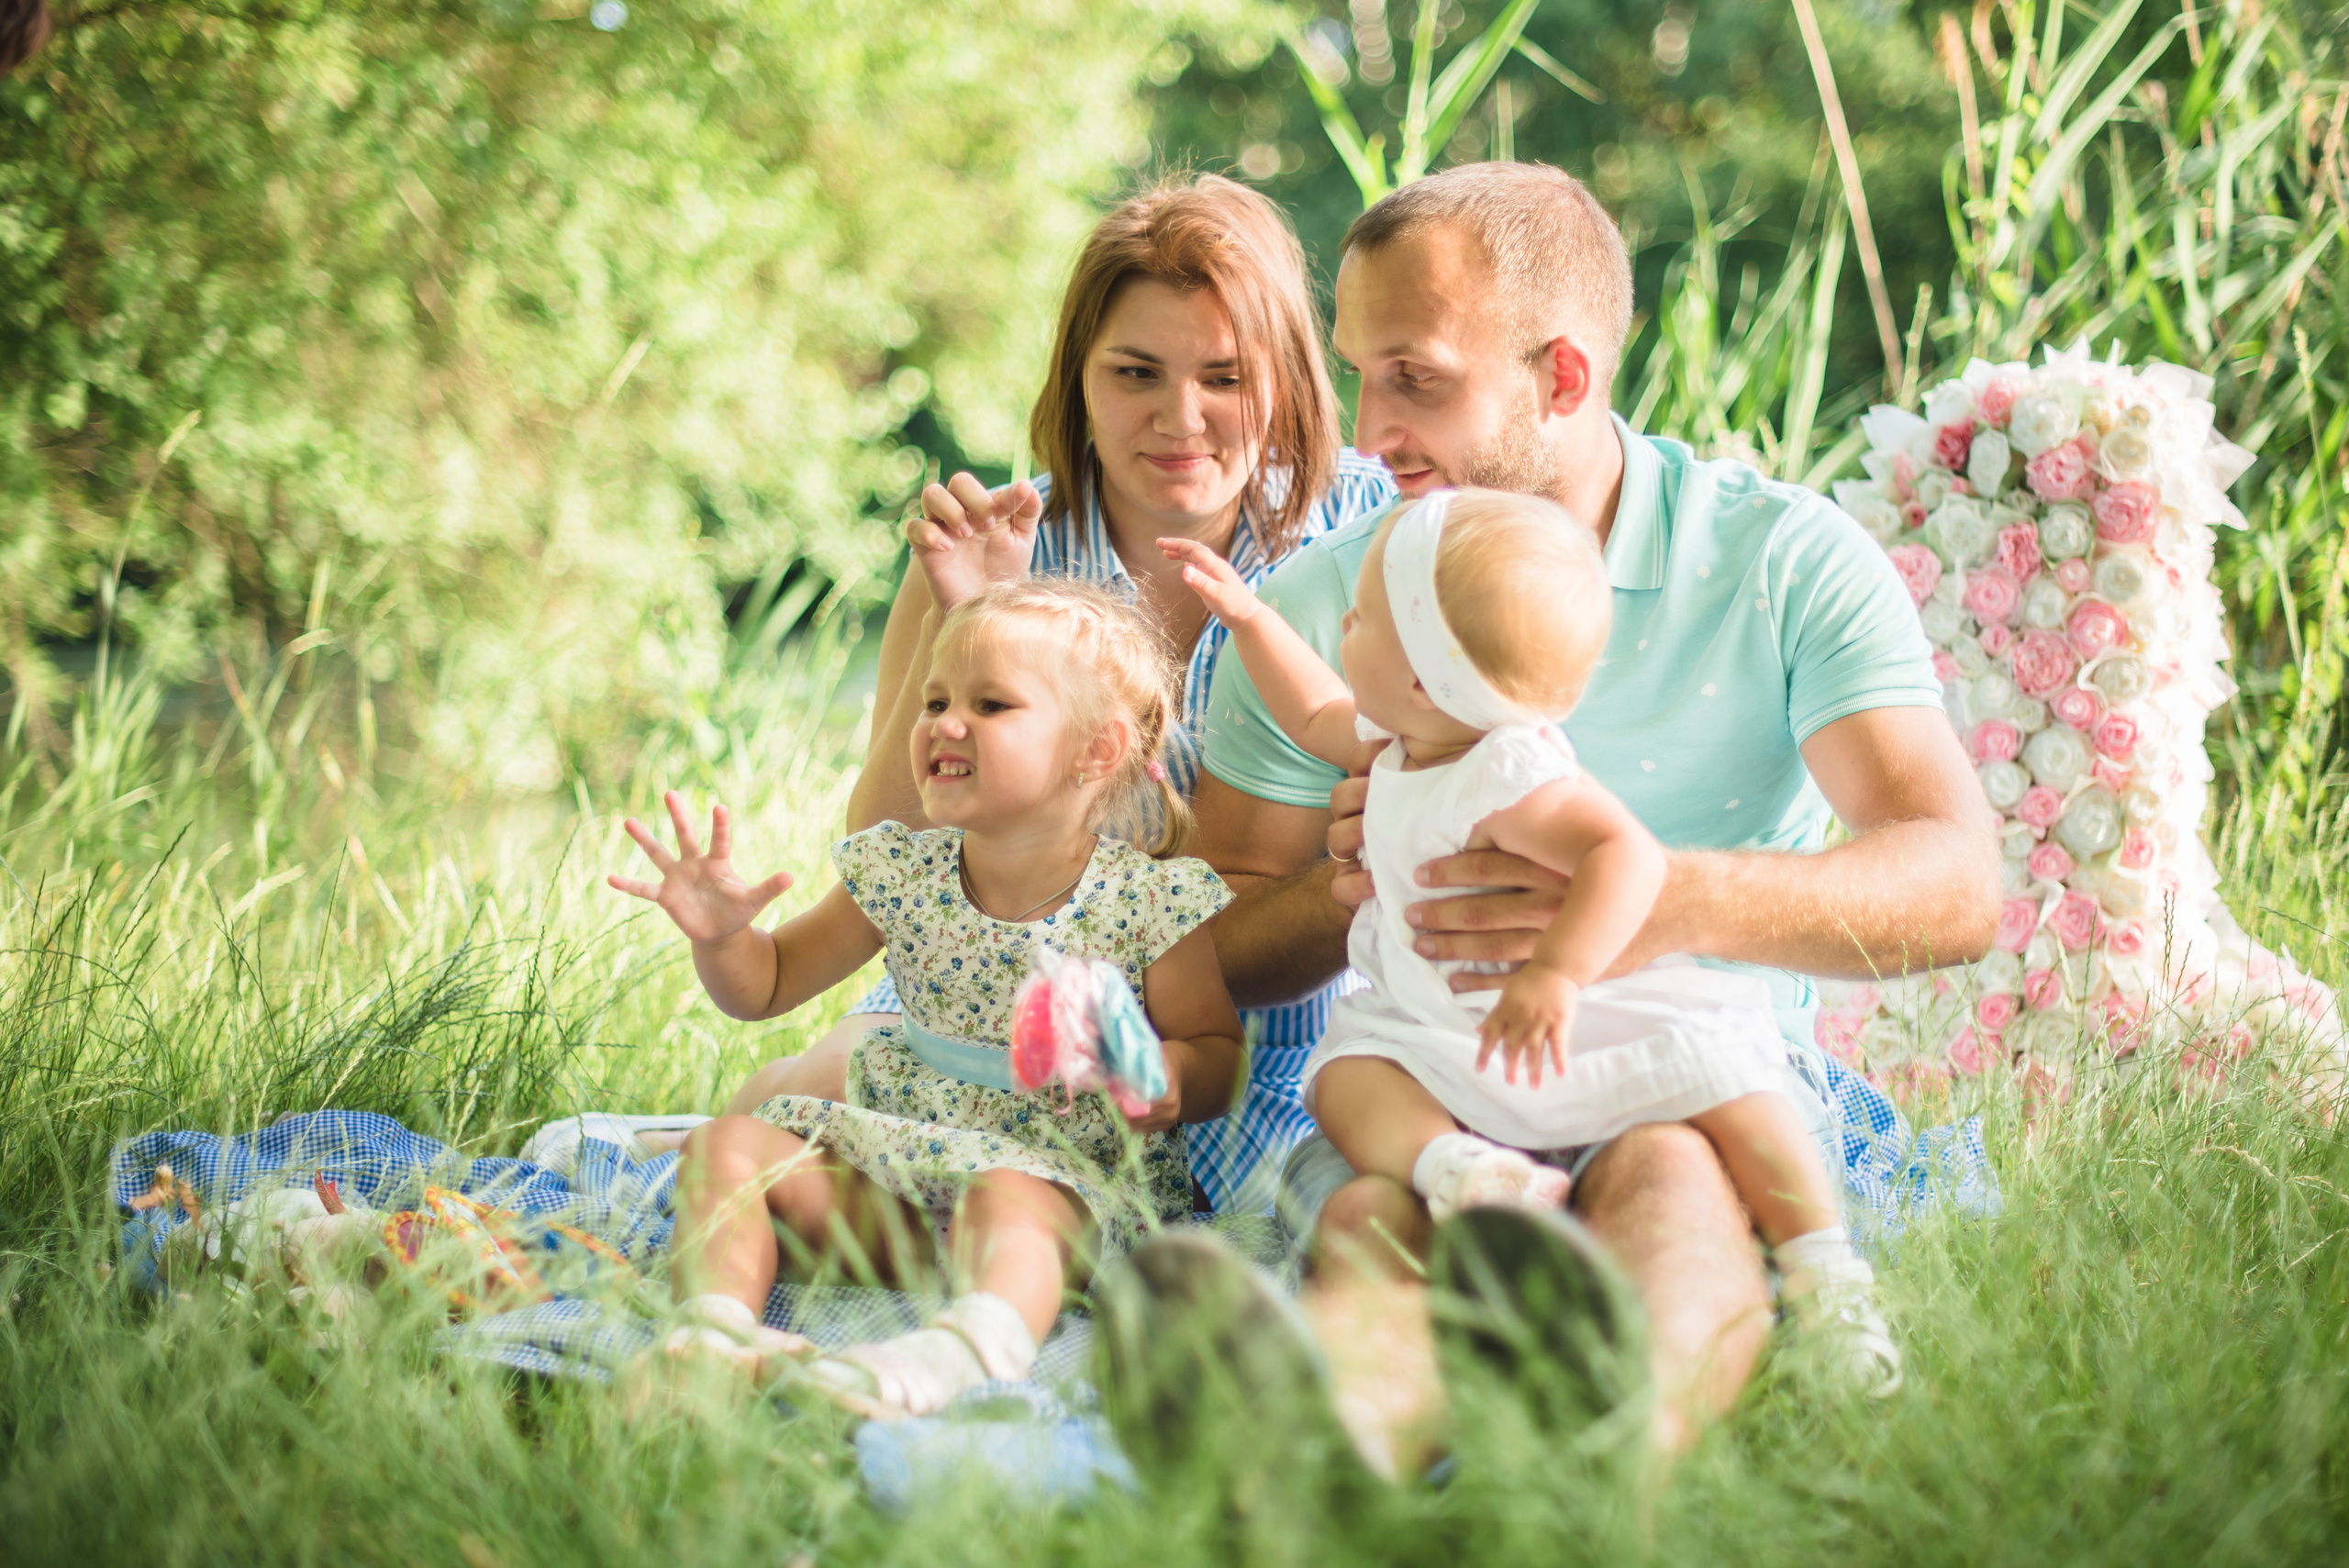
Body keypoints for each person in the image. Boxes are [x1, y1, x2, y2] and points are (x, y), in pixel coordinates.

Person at [1102, 161, 1998, 1471]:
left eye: (1415, 378)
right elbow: (1211, 940)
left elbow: (1957, 886)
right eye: (1356, 375)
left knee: (1673, 1178)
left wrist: (1641, 907)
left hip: (1681, 1075)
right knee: (1368, 1210)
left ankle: (1613, 1486)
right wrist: (1354, 888)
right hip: (1424, 1071)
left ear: (1562, 377)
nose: (1370, 428)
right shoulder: (1327, 611)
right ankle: (1340, 1469)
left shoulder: (1782, 560)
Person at [554, 173, 1395, 1209]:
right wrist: (969, 616)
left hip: (1260, 1008)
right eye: (1135, 372)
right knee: (763, 1133)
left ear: (1288, 377)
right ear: (1076, 381)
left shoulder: (1371, 523)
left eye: (1226, 376)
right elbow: (887, 843)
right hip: (995, 995)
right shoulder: (1001, 539)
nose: (1183, 418)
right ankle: (667, 1146)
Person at [1161, 486, 1896, 1394]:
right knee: (1345, 1075)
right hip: (1441, 1030)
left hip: (1576, 1013)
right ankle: (1458, 1166)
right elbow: (1313, 707)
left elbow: (1622, 852)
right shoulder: (1399, 740)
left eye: (1365, 615)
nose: (1342, 619)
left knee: (1729, 1080)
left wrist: (1558, 968)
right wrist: (1248, 616)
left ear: (1427, 678)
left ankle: (1824, 1272)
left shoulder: (1509, 770)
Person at [614, 579, 1244, 1418]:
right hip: (900, 1177)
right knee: (727, 1145)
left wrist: (1156, 1079)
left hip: (1061, 1194)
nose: (945, 722)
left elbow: (1218, 1055)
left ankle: (955, 1356)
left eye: (990, 704)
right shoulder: (905, 873)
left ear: (1096, 750)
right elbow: (764, 986)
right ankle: (712, 1333)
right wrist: (722, 937)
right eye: (935, 699)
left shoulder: (1145, 902)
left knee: (1011, 1197)